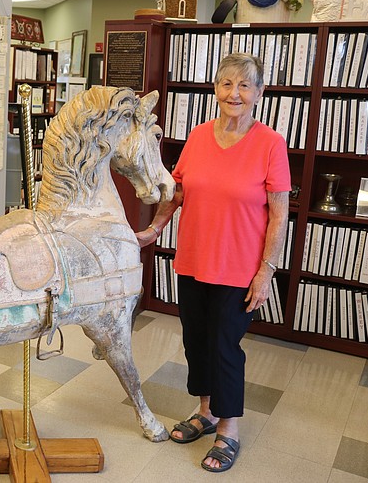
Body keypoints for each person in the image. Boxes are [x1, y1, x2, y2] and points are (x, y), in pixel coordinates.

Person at [135, 53, 290, 473]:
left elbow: (279, 213)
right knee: (196, 341)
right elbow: (178, 192)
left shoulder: (271, 144)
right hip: (193, 260)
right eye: (226, 84)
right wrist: (154, 230)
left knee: (224, 347)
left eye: (244, 85)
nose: (234, 93)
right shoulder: (199, 136)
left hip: (239, 268)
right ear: (215, 89)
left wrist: (266, 270)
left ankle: (229, 429)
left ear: (259, 92)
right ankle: (205, 412)